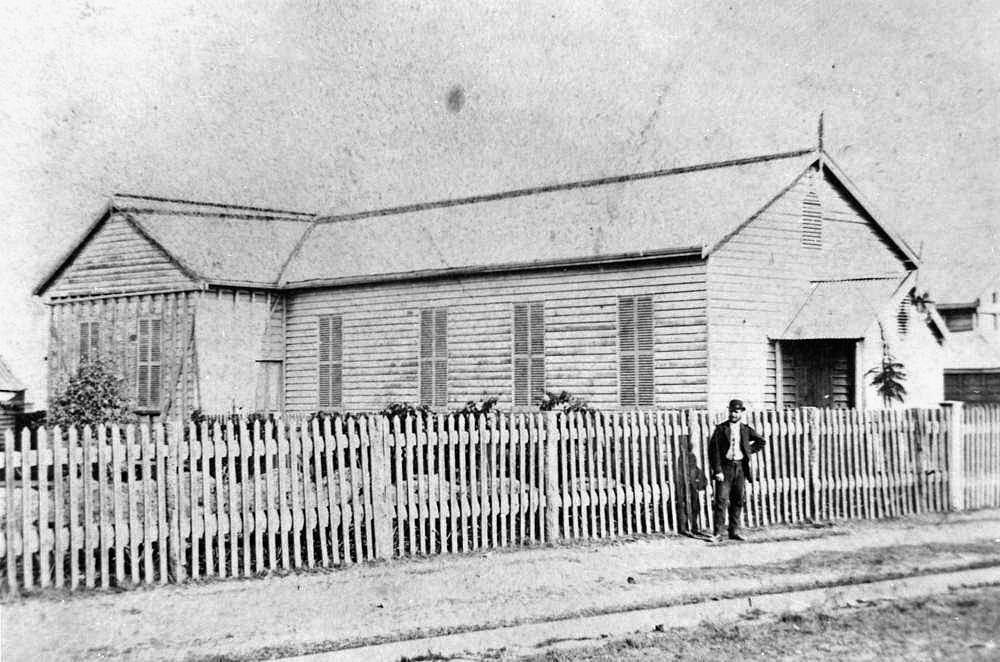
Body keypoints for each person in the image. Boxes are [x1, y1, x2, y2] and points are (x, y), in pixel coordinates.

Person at [707, 399, 766, 541]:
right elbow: (713, 451)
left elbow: (761, 441)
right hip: (725, 469)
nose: (733, 414)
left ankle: (734, 531)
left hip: (740, 468)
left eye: (736, 411)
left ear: (741, 413)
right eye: (731, 411)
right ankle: (718, 533)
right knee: (721, 500)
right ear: (728, 411)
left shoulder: (745, 429)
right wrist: (718, 470)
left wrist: (747, 451)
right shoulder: (721, 429)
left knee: (738, 500)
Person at [674, 441, 707, 536]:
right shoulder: (681, 458)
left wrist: (700, 480)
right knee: (684, 506)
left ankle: (693, 526)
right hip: (683, 484)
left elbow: (695, 469)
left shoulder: (691, 456)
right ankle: (684, 527)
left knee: (695, 506)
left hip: (691, 484)